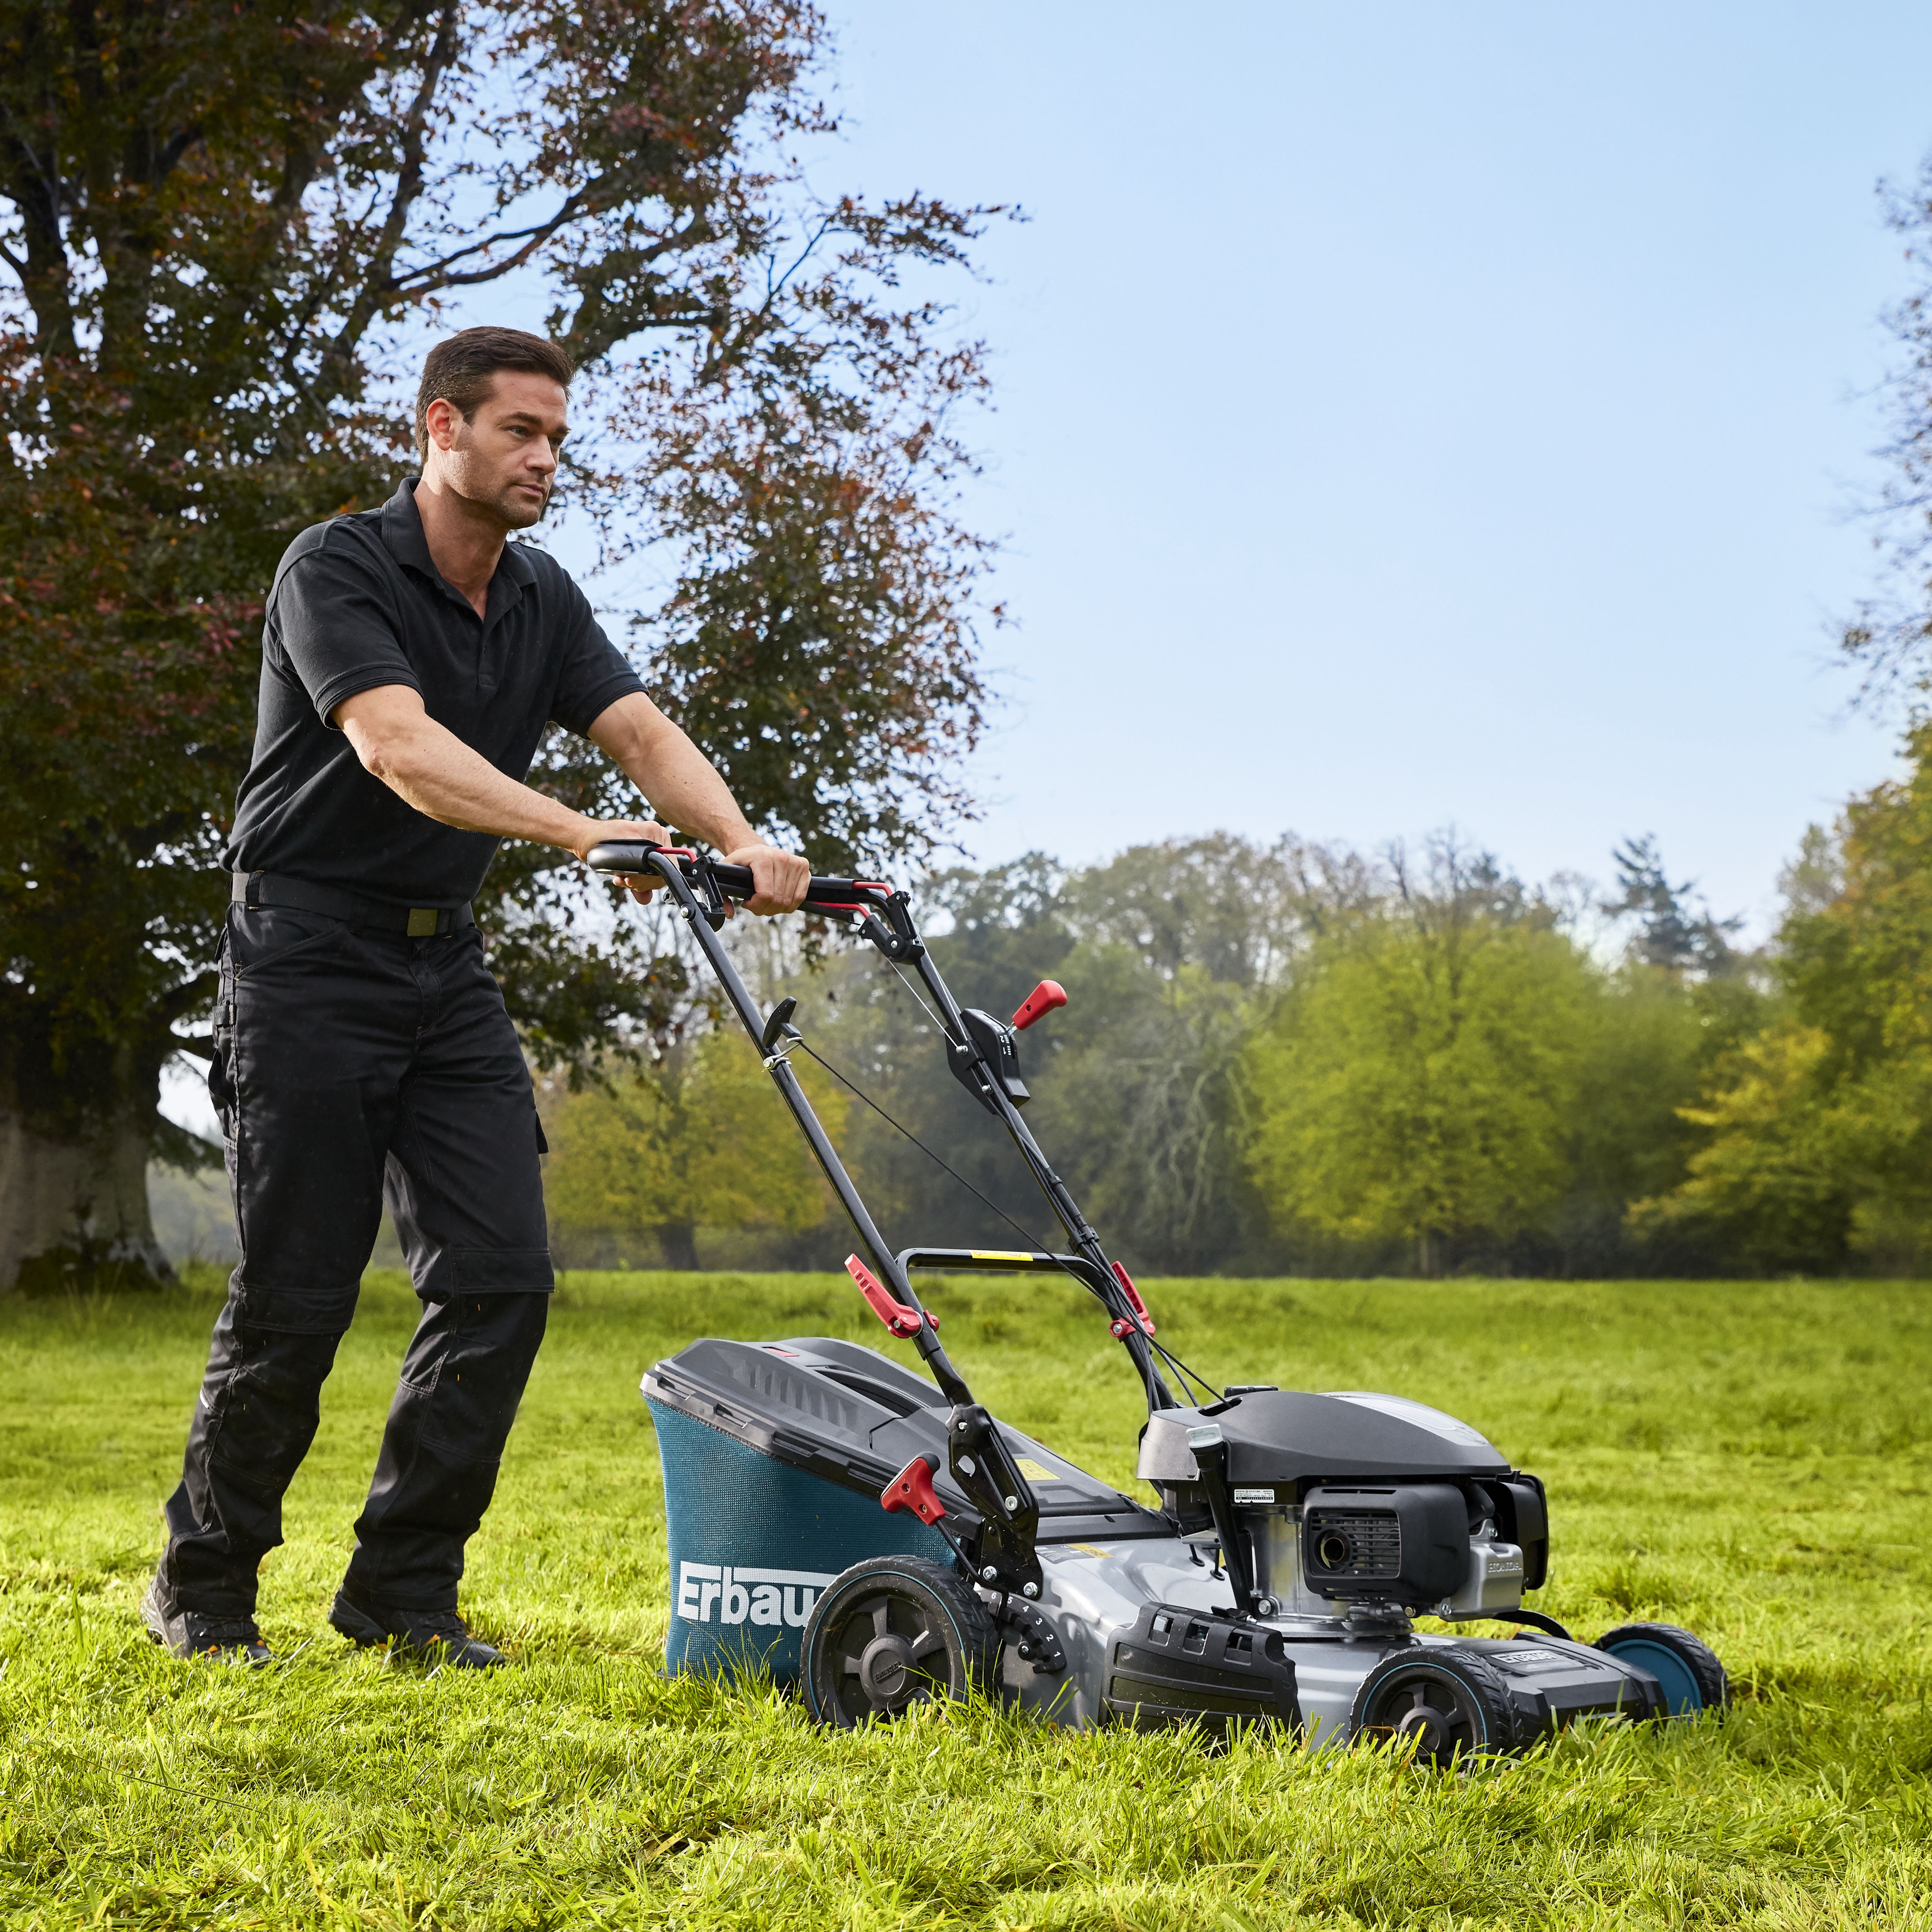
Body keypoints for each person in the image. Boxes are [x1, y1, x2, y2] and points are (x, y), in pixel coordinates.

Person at [143, 326, 810, 1668]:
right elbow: (399, 750)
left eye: (558, 437)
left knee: (502, 1280)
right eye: (521, 431)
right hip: (305, 958)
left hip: (442, 967)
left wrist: (740, 844)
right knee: (296, 1294)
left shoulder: (539, 596)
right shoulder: (335, 569)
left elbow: (638, 730)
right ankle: (205, 1593)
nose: (546, 458)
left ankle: (402, 1595)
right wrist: (583, 836)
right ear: (441, 429)